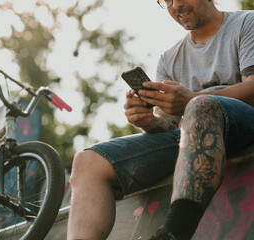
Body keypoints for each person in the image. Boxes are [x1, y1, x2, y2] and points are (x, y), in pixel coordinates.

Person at [67, 0, 254, 239]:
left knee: (200, 105)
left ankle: (174, 233)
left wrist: (193, 99)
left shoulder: (247, 23)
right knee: (87, 161)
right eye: (166, 0)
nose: (175, 5)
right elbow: (169, 124)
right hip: (190, 135)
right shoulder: (169, 58)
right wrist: (148, 121)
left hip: (244, 123)